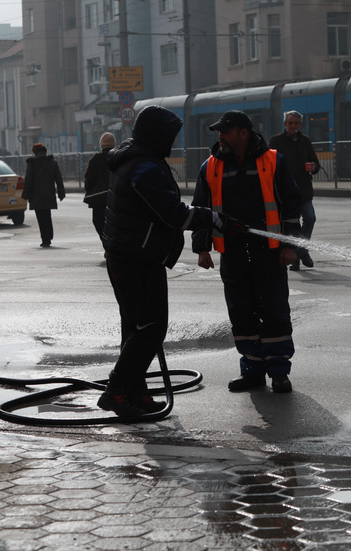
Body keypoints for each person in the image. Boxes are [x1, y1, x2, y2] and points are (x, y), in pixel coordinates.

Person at [99, 105, 246, 418]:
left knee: (137, 328)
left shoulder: (136, 158)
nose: (173, 143)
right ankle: (117, 391)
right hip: (137, 258)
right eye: (169, 136)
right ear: (156, 136)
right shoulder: (144, 167)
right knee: (150, 329)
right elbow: (173, 214)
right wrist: (216, 220)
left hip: (129, 255)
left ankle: (134, 392)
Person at [192, 110, 303, 394]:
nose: (220, 137)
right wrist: (202, 247)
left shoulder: (272, 161)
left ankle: (279, 372)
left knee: (275, 309)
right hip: (233, 252)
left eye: (226, 131)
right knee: (241, 312)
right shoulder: (210, 167)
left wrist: (289, 246)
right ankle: (252, 370)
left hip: (270, 252)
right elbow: (201, 209)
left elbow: (291, 205)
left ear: (243, 133)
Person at [268, 111, 320, 271]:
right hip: (285, 191)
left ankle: (301, 249)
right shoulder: (276, 141)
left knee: (310, 218)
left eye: (296, 123)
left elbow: (316, 163)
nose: (293, 126)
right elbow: (269, 164)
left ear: (300, 125)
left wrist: (313, 167)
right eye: (290, 123)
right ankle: (295, 256)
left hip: (303, 190)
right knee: (292, 224)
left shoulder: (305, 141)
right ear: (285, 124)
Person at [23, 143, 66, 247]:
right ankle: (49, 235)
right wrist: (61, 193)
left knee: (40, 217)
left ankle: (45, 239)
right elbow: (58, 179)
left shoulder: (32, 163)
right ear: (45, 151)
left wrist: (26, 194)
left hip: (36, 195)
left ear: (34, 152)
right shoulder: (52, 163)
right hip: (49, 194)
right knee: (47, 215)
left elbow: (28, 180)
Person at [84, 132, 116, 241]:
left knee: (98, 221)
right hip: (116, 196)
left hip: (99, 198)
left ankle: (106, 243)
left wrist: (89, 189)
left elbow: (89, 178)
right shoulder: (118, 157)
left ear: (101, 144)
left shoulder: (95, 159)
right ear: (114, 144)